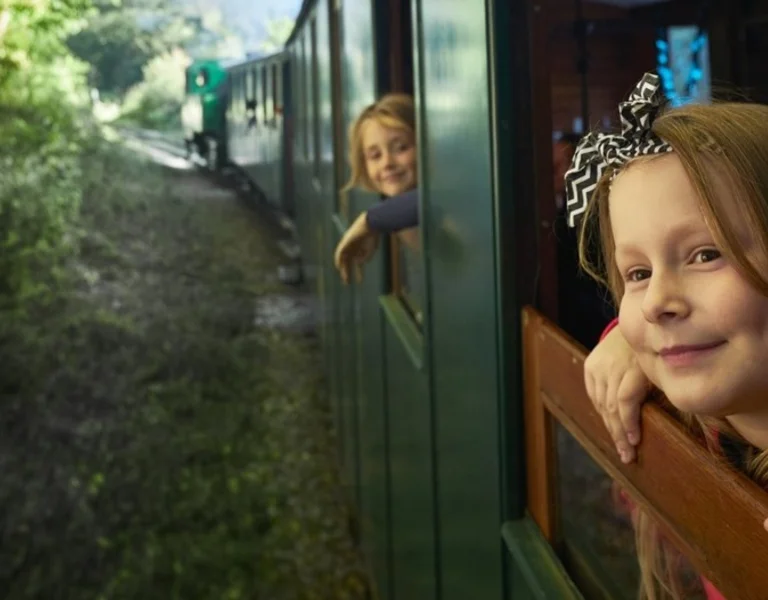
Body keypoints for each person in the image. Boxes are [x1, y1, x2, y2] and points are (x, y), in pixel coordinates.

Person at [565, 71, 768, 599]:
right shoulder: (699, 415)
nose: (656, 302)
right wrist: (622, 339)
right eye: (637, 273)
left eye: (706, 254)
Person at [333, 93, 419, 285]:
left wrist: (370, 220)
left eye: (401, 148)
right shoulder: (397, 218)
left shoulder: (443, 206)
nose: (387, 163)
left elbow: (439, 199)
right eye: (375, 155)